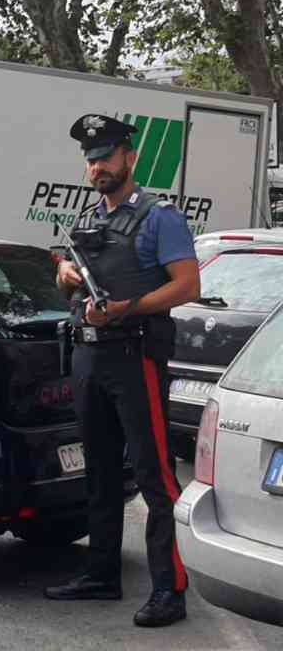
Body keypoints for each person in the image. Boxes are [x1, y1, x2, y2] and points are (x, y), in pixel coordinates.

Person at [44, 114, 200, 628]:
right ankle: (101, 574)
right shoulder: (89, 217)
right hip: (89, 355)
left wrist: (129, 307)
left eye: (105, 158)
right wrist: (63, 273)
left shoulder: (160, 217)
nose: (96, 168)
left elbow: (186, 286)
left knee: (157, 478)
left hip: (135, 355)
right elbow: (72, 282)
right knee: (101, 473)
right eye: (90, 161)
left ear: (129, 158)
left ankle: (169, 590)